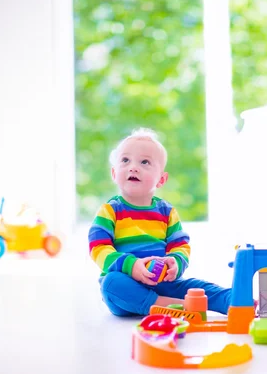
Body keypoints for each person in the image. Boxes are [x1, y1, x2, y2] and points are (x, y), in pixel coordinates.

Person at [88, 127, 232, 316]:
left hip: (163, 283)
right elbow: (98, 248)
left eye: (145, 162)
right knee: (111, 284)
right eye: (125, 160)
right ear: (114, 173)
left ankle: (234, 300)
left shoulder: (166, 211)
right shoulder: (110, 210)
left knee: (199, 288)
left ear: (161, 179)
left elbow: (180, 245)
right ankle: (169, 306)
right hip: (127, 287)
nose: (133, 167)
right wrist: (132, 266)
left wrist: (175, 262)